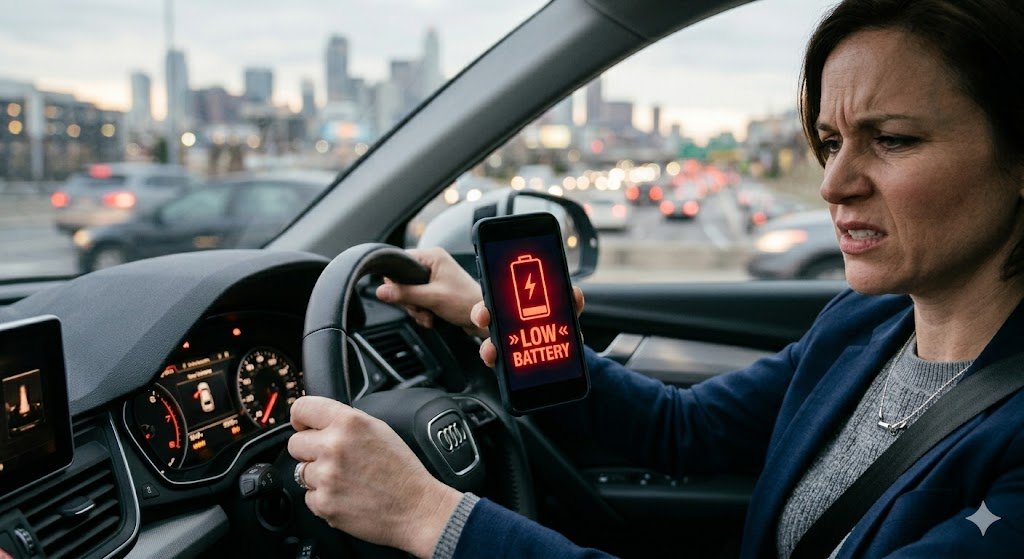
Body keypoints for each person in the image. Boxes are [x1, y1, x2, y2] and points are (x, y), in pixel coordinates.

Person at [286, 0, 1024, 556]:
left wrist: (426, 515)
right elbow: (686, 430)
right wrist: (501, 317)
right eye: (830, 142)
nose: (833, 184)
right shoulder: (867, 323)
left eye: (891, 139)